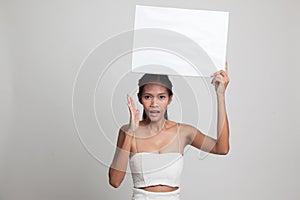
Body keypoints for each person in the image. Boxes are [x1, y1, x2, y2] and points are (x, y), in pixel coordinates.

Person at [109, 63, 230, 200]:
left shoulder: (183, 132)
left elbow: (222, 148)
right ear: (139, 98)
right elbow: (115, 181)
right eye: (148, 97)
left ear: (170, 99)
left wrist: (220, 95)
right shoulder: (127, 131)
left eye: (161, 97)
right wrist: (131, 132)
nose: (154, 104)